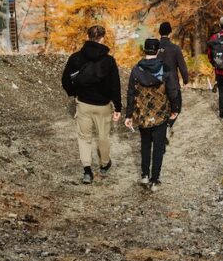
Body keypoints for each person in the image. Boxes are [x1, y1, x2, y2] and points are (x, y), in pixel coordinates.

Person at [60, 25, 121, 185]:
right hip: (103, 106)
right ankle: (104, 164)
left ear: (87, 37)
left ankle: (87, 171)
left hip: (84, 104)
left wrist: (74, 93)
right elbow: (115, 85)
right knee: (103, 137)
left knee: (84, 137)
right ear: (103, 38)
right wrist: (119, 107)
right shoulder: (109, 61)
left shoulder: (76, 58)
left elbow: (65, 80)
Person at [123, 38, 181, 191]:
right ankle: (155, 180)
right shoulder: (166, 69)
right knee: (158, 147)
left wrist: (128, 115)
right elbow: (173, 91)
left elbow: (131, 93)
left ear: (145, 50)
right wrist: (175, 109)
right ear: (157, 51)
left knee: (145, 144)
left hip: (142, 113)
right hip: (161, 113)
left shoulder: (136, 69)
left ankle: (144, 175)